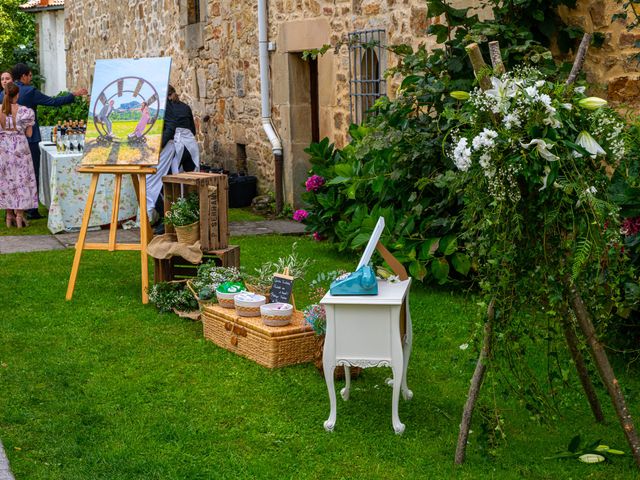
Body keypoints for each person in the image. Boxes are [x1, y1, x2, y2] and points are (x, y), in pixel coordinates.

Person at [0, 63, 87, 219]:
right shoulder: (30, 91)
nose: (31, 78)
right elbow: (52, 102)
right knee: (29, 174)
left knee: (11, 175)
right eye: (30, 75)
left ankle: (12, 210)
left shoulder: (3, 94)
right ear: (24, 76)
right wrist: (73, 94)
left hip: (7, 143)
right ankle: (31, 210)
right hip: (29, 140)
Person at [146, 85, 200, 230]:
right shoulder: (185, 107)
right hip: (190, 146)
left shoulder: (166, 109)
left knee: (167, 183)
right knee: (186, 182)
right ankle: (189, 216)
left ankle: (169, 218)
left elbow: (170, 129)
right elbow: (193, 130)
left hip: (175, 147)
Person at [0, 83, 37, 228]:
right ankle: (20, 215)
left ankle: (9, 216)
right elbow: (29, 134)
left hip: (3, 148)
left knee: (7, 180)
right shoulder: (25, 112)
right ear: (18, 95)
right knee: (22, 180)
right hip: (20, 147)